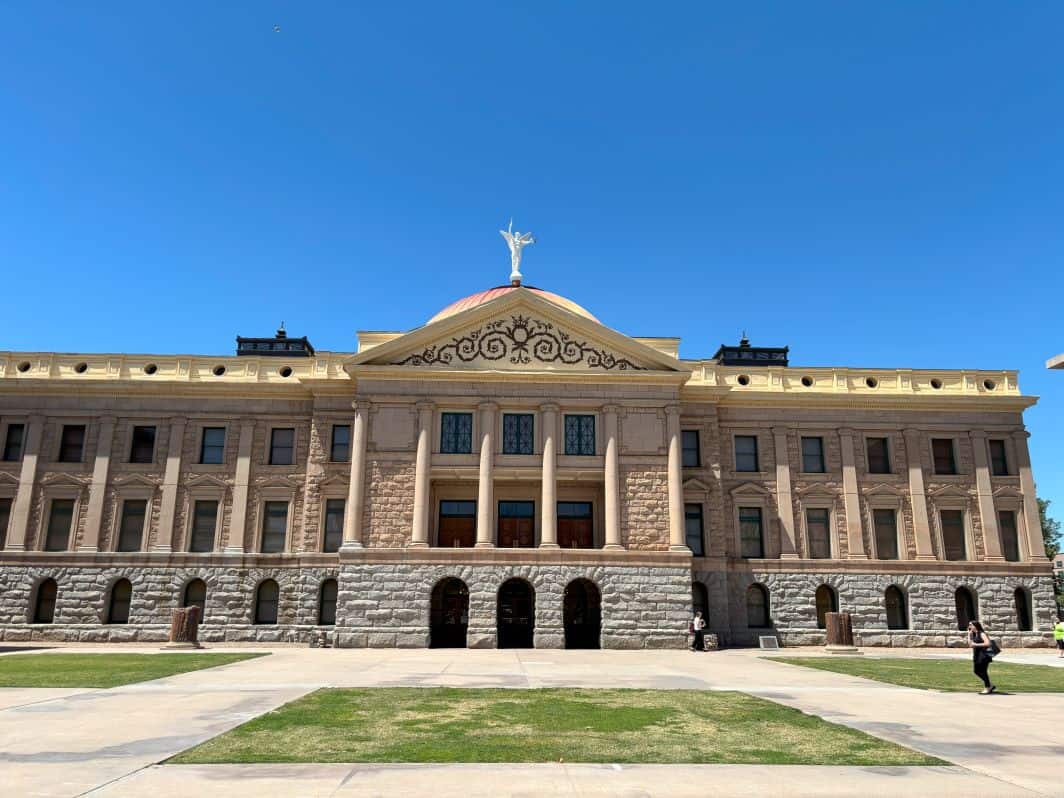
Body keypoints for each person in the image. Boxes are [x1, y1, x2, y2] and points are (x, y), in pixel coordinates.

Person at [968, 620, 995, 695]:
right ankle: (990, 685)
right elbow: (970, 645)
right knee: (976, 671)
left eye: (971, 625)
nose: (969, 626)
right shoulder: (974, 634)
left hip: (984, 655)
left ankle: (987, 688)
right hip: (977, 655)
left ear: (975, 626)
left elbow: (988, 643)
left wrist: (976, 645)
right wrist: (969, 635)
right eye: (969, 625)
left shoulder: (982, 633)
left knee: (983, 672)